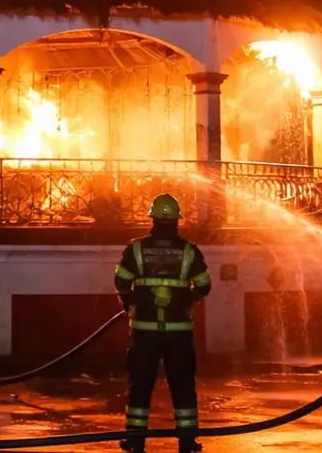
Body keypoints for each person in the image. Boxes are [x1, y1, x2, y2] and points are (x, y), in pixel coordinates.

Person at [113, 193, 211, 453]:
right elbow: (204, 285)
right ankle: (187, 440)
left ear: (152, 219)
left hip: (144, 330)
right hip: (179, 332)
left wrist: (129, 301)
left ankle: (135, 440)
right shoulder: (189, 251)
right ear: (177, 221)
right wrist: (187, 299)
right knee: (182, 384)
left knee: (140, 384)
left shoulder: (136, 249)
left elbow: (122, 280)